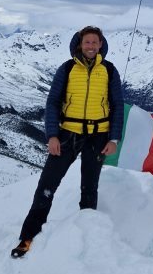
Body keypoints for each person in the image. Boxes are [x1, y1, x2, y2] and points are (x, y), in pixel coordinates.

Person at [11, 26, 124, 258]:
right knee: (46, 186)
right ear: (79, 44)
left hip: (98, 135)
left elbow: (117, 106)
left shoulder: (109, 71)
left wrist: (113, 138)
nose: (91, 46)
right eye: (87, 42)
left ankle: (88, 234)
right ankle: (28, 236)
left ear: (101, 44)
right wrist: (52, 135)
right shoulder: (68, 68)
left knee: (89, 187)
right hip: (67, 134)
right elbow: (52, 102)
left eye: (95, 42)